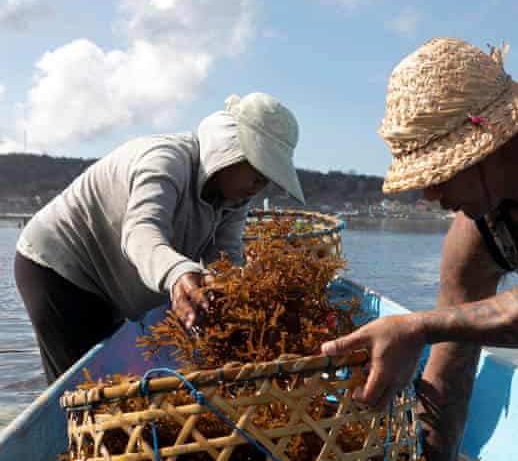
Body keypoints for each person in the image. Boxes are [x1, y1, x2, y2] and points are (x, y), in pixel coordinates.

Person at [322, 36, 518, 461]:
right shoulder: (475, 235)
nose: (428, 194)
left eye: (435, 173)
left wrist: (420, 327)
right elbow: (448, 376)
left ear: (488, 143)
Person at [15, 92, 305, 383]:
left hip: (112, 283)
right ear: (229, 150)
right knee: (81, 390)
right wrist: (179, 272)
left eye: (269, 175)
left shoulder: (233, 199)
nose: (262, 183)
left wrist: (241, 301)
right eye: (257, 168)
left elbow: (224, 260)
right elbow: (141, 234)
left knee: (108, 382)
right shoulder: (166, 161)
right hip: (58, 265)